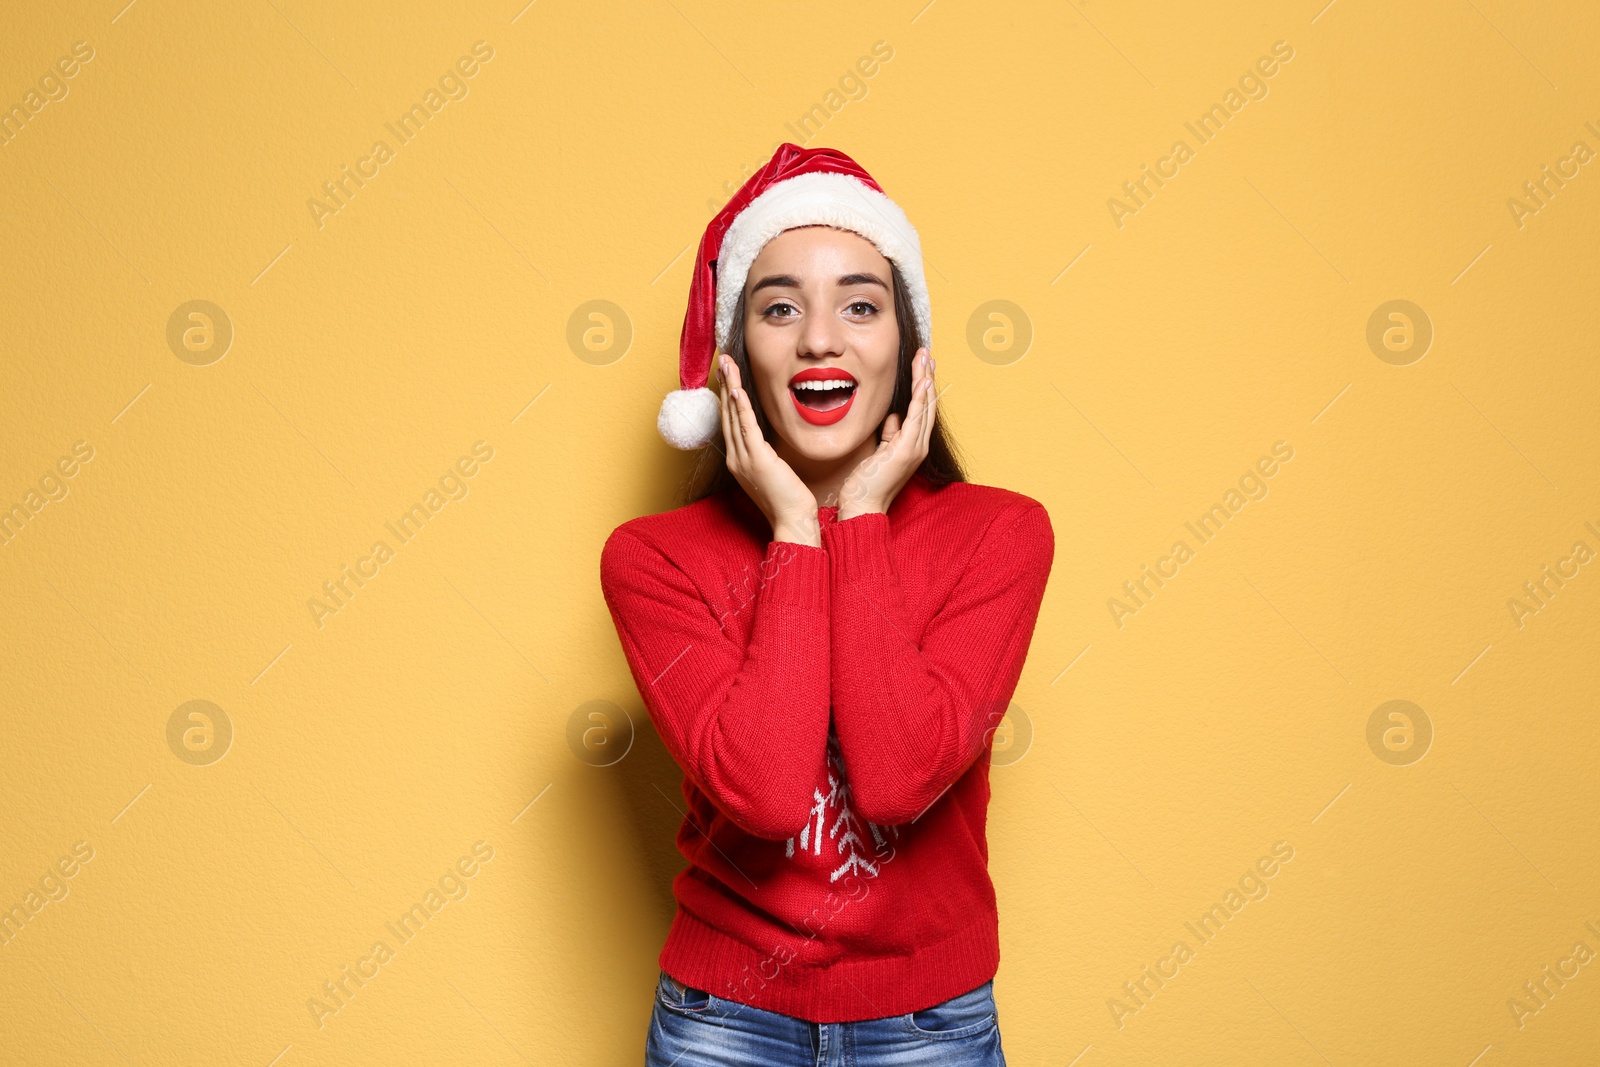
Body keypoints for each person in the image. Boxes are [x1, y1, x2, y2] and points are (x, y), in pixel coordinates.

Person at [599, 143, 1054, 1065]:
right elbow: (765, 796)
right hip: (722, 1024)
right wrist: (799, 529)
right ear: (734, 362)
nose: (820, 339)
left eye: (860, 303)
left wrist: (866, 516)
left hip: (932, 1025)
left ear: (909, 348)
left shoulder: (1000, 537)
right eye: (779, 308)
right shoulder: (653, 560)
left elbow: (895, 779)